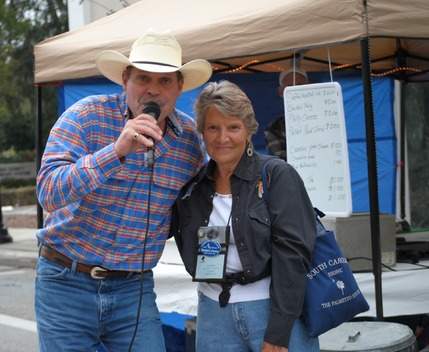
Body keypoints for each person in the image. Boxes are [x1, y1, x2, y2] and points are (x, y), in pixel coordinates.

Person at [34, 28, 212, 352]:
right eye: (143, 78)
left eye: (165, 81)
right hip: (66, 280)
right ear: (125, 80)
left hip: (134, 288)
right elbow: (48, 191)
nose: (153, 91)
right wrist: (114, 152)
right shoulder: (86, 116)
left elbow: (211, 204)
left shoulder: (190, 143)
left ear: (180, 86)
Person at [170, 80, 319, 351]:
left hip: (271, 310)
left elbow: (293, 254)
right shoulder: (193, 187)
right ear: (202, 132)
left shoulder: (277, 175)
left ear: (249, 131)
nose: (222, 137)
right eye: (213, 127)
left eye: (233, 127)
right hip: (214, 314)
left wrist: (280, 328)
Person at [264, 68, 309, 161]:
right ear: (281, 92)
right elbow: (277, 160)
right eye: (290, 87)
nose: (296, 91)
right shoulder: (274, 128)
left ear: (309, 86)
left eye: (300, 85)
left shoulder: (326, 119)